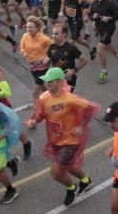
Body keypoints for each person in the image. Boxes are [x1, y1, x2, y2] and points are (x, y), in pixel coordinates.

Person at [24, 67, 97, 206]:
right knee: (68, 165)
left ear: (59, 82)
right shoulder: (44, 97)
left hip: (71, 140)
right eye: (46, 82)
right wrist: (35, 120)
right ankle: (86, 182)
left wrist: (81, 126)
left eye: (50, 82)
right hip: (56, 139)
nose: (47, 84)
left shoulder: (70, 99)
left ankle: (72, 188)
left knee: (56, 172)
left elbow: (89, 108)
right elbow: (41, 114)